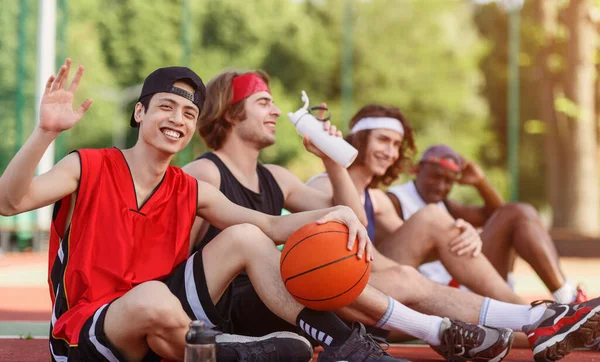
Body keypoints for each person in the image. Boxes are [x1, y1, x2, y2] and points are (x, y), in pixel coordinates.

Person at [0, 59, 414, 362]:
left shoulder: (192, 189)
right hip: (87, 332)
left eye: (189, 113)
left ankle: (346, 345)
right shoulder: (87, 165)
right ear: (139, 111)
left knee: (246, 237)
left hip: (165, 323)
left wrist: (336, 214)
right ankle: (235, 351)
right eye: (166, 106)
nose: (177, 119)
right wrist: (45, 132)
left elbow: (270, 224)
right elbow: (10, 202)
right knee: (150, 299)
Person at [183, 70, 600, 362]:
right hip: (235, 308)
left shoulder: (275, 176)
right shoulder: (204, 172)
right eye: (263, 102)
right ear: (231, 112)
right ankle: (539, 319)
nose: (275, 111)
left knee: (403, 273)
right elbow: (182, 259)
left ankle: (541, 319)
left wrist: (332, 159)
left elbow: (353, 221)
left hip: (282, 297)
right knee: (397, 274)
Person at [387, 144, 587, 304]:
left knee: (520, 212)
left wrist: (480, 182)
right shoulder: (396, 200)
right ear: (417, 169)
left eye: (449, 181)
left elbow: (499, 215)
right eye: (435, 176)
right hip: (442, 291)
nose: (441, 186)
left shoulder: (444, 203)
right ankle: (568, 302)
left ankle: (567, 299)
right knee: (517, 212)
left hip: (468, 279)